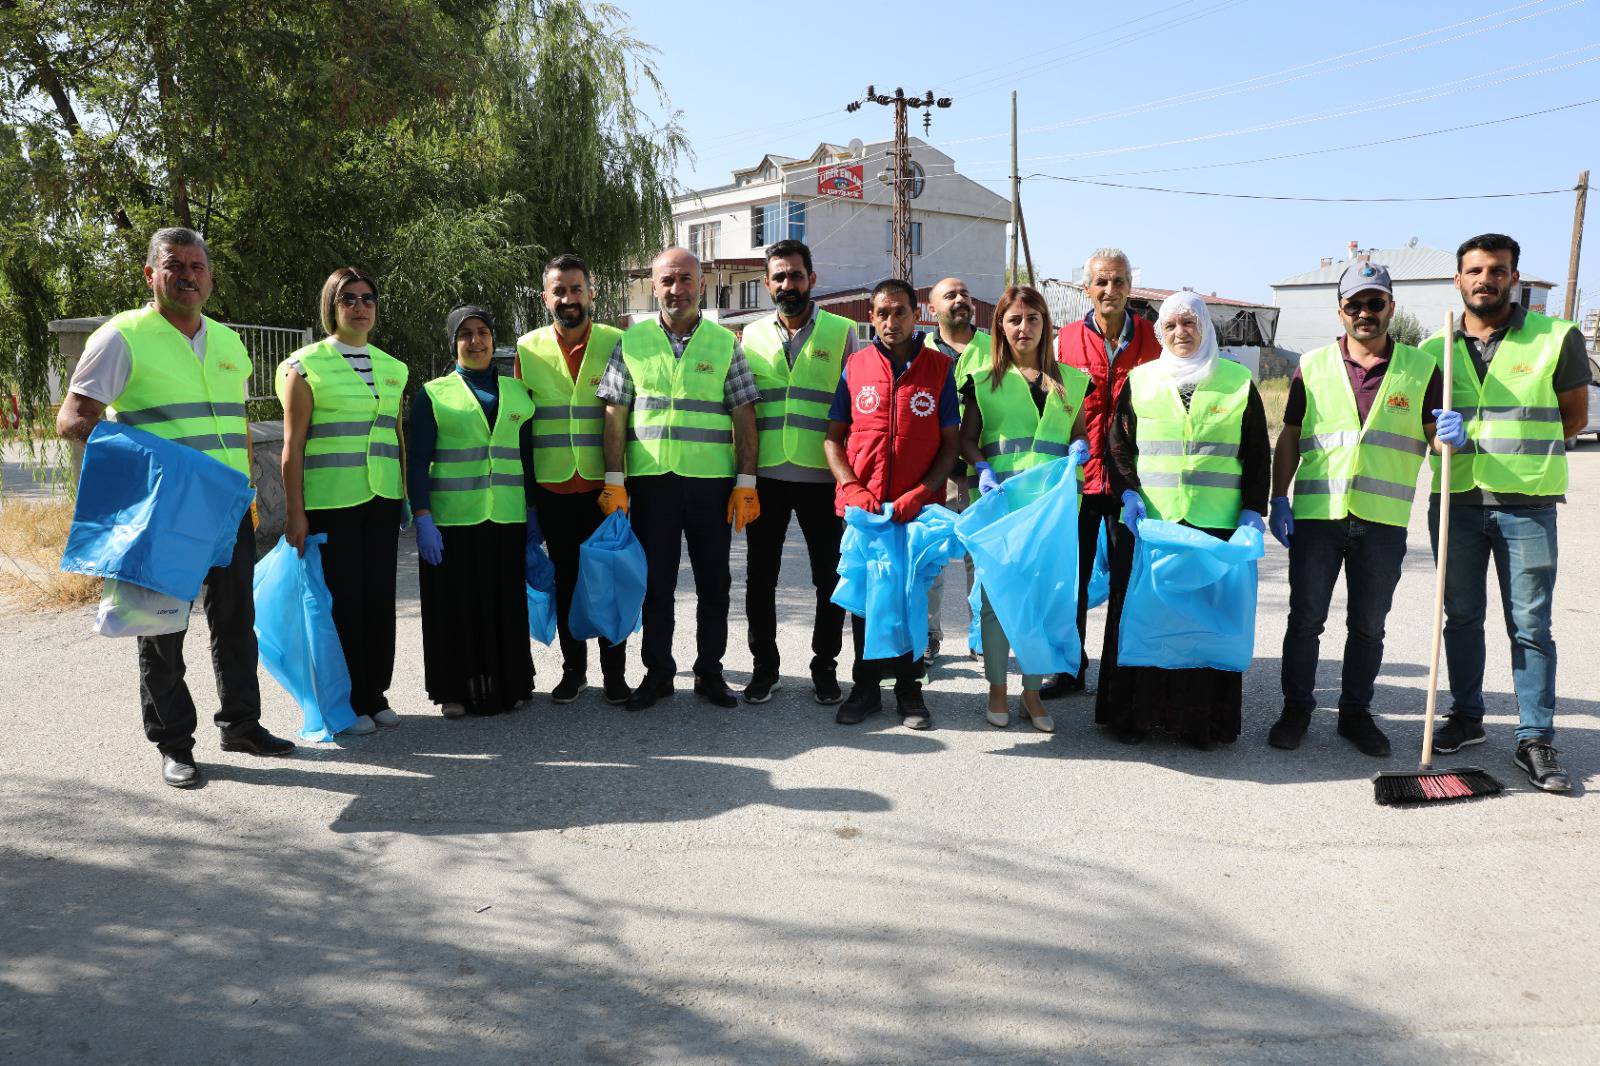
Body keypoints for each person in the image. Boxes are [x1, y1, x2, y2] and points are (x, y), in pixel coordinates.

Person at [56, 226, 296, 788]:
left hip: (229, 508)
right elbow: (72, 421)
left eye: (196, 266)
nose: (187, 276)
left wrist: (249, 492)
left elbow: (235, 424)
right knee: (160, 631)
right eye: (174, 265)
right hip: (163, 514)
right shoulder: (122, 337)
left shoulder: (231, 343)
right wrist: (151, 466)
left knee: (237, 622)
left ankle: (242, 724)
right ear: (151, 274)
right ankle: (174, 744)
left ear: (209, 277)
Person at [1420, 233, 1590, 792]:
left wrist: (1485, 435)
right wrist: (1438, 435)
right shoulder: (1433, 348)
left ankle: (1535, 737)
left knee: (1531, 626)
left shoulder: (1555, 337)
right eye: (1474, 270)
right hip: (1457, 500)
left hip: (1527, 503)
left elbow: (1571, 420)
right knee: (1462, 618)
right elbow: (1423, 426)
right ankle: (1467, 717)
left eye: (1496, 270)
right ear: (1458, 280)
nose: (1484, 280)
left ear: (1514, 277)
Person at [1267, 261, 1442, 757]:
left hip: (1382, 522)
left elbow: (1434, 441)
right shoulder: (1313, 365)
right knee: (1305, 620)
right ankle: (1296, 708)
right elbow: (1291, 436)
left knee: (1368, 626)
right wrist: (1279, 498)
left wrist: (1450, 434)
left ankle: (1355, 714)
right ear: (1340, 310)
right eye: (1355, 304)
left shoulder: (1421, 369)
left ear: (1391, 306)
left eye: (1375, 302)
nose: (1365, 313)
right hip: (1318, 517)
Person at [1099, 290, 1270, 749]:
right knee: (1146, 616)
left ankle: (1201, 724)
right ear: (1159, 331)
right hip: (1152, 524)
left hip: (1214, 525)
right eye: (1171, 325)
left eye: (1189, 323)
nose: (1180, 332)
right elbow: (1117, 446)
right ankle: (1135, 717)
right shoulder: (1141, 380)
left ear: (1205, 327)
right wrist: (1127, 492)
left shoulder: (1236, 382)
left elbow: (1257, 453)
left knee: (1203, 623)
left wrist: (1254, 509)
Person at [597, 247, 760, 712]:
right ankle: (658, 674)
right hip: (651, 484)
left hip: (711, 484)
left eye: (685, 279)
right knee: (656, 584)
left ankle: (710, 671)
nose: (676, 289)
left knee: (714, 582)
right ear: (654, 286)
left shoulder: (725, 342)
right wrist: (614, 479)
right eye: (667, 280)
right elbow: (614, 414)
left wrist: (746, 483)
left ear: (700, 284)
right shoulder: (632, 341)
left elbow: (745, 415)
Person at [276, 267, 409, 735]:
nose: (359, 306)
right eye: (348, 298)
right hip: (331, 503)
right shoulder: (304, 366)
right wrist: (295, 513)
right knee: (343, 602)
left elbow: (395, 438)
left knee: (378, 599)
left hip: (382, 499)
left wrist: (405, 497)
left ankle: (375, 693)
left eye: (367, 298)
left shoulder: (394, 368)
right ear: (331, 306)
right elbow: (292, 447)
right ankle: (345, 702)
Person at [824, 278, 961, 730]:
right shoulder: (855, 366)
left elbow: (949, 444)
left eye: (899, 311)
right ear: (871, 316)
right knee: (865, 601)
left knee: (908, 600)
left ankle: (909, 691)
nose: (890, 321)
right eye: (882, 313)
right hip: (867, 512)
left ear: (916, 313)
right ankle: (863, 689)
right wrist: (850, 485)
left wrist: (923, 492)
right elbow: (833, 439)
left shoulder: (939, 369)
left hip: (915, 512)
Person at [958, 285, 1090, 732]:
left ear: (1044, 325)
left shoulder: (1072, 380)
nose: (1023, 328)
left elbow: (1079, 433)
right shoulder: (983, 381)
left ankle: (1031, 693)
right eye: (1014, 319)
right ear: (1000, 327)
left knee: (1038, 600)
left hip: (1051, 510)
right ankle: (997, 689)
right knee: (996, 602)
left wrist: (1080, 445)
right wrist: (981, 468)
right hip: (1002, 504)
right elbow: (966, 439)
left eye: (1032, 319)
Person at [739, 239, 855, 706]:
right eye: (780, 277)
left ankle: (824, 667)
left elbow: (854, 409)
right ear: (768, 284)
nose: (789, 284)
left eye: (797, 275)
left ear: (812, 278)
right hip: (765, 475)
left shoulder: (843, 332)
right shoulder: (749, 335)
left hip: (823, 477)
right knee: (759, 578)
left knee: (829, 578)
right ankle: (764, 668)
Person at [408, 305, 536, 717]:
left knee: (504, 603)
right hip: (452, 520)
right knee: (455, 607)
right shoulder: (434, 393)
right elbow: (417, 461)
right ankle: (455, 692)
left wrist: (533, 513)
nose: (476, 341)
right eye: (465, 334)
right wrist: (422, 516)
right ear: (454, 343)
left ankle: (509, 684)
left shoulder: (519, 394)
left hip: (507, 517)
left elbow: (527, 458)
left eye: (482, 332)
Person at [515, 253, 629, 706]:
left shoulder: (618, 341)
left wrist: (625, 482)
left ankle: (615, 674)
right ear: (546, 297)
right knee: (566, 580)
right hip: (554, 486)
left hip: (605, 485)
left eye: (576, 288)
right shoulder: (527, 348)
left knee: (607, 580)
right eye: (559, 290)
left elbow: (627, 415)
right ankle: (573, 671)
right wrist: (527, 495)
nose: (569, 298)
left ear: (591, 291)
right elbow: (522, 424)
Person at [1049, 247, 1160, 698]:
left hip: (1133, 483)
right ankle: (1070, 667)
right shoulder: (1065, 340)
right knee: (1071, 579)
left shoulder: (1155, 340)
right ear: (1086, 287)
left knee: (1126, 578)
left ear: (1130, 287)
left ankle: (1118, 671)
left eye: (1118, 282)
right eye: (1101, 282)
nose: (1109, 290)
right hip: (1079, 479)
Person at [923, 276, 990, 660]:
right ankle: (930, 636)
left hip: (981, 470)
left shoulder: (995, 349)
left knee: (979, 560)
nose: (960, 299)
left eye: (965, 293)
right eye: (950, 295)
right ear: (933, 309)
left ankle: (982, 638)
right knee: (931, 559)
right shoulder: (919, 351)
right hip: (934, 472)